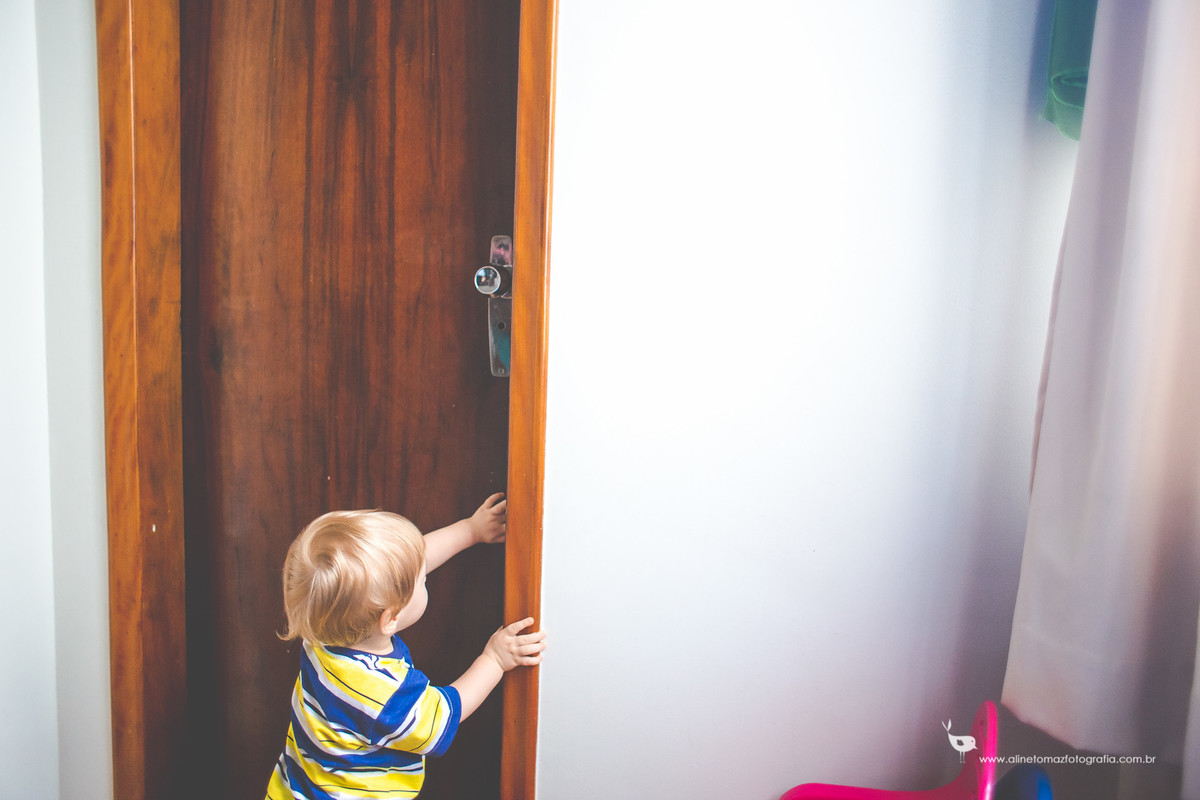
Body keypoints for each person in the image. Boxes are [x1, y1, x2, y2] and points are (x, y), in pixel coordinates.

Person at [265, 493, 546, 799]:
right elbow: (438, 719)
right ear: (390, 618)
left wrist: (471, 530)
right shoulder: (385, 694)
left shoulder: (320, 631)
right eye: (421, 580)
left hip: (294, 788)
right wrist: (494, 659)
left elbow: (412, 563)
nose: (423, 572)